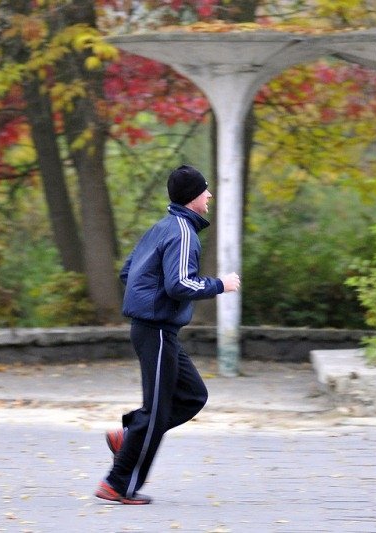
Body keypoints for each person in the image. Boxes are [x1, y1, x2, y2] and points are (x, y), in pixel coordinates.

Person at [95, 164, 240, 505]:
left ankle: (129, 435)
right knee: (157, 411)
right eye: (205, 190)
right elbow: (180, 284)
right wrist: (220, 285)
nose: (209, 195)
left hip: (158, 330)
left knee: (192, 396)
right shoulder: (183, 233)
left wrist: (148, 297)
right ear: (192, 197)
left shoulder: (162, 227)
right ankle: (117, 484)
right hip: (156, 329)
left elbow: (128, 272)